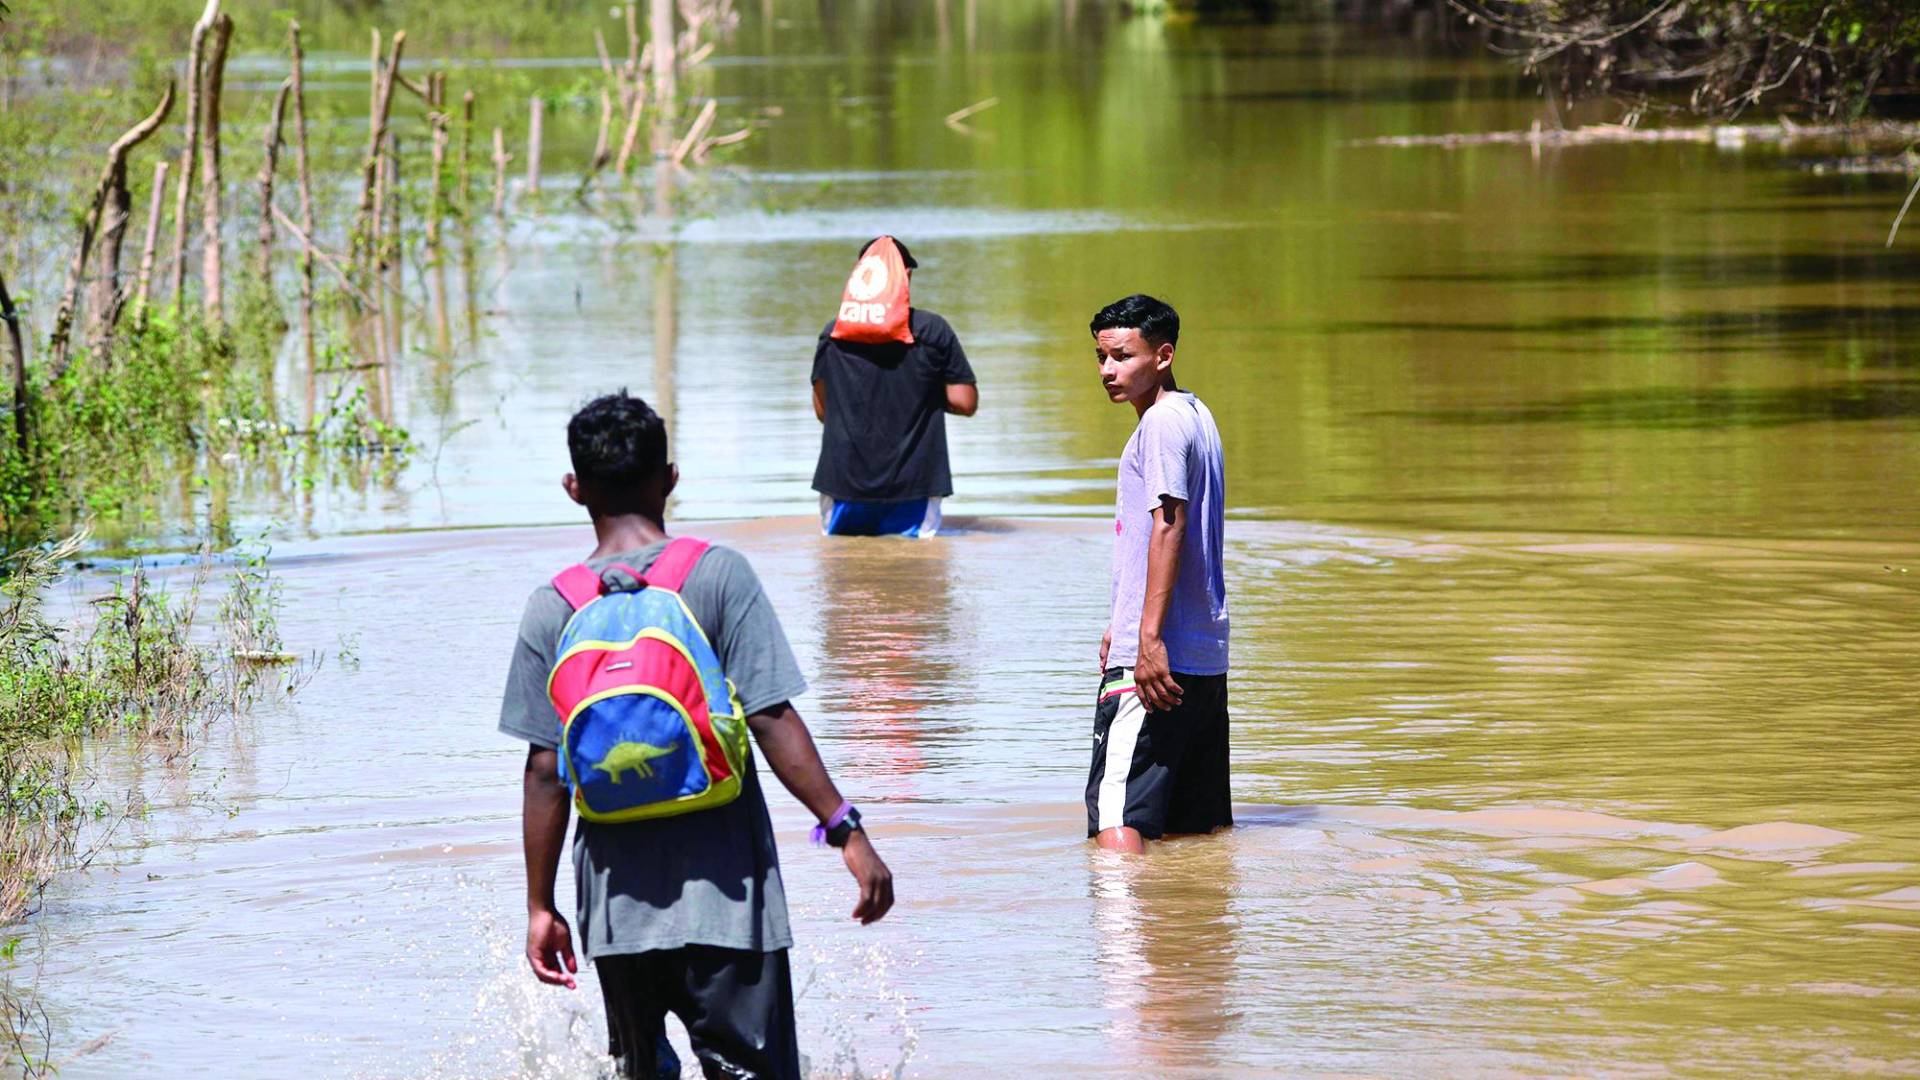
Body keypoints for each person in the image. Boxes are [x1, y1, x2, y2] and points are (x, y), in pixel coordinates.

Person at [499, 391, 895, 1079]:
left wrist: (541, 906)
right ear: (671, 478)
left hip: (616, 908)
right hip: (730, 898)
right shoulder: (716, 575)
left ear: (573, 488)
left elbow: (543, 769)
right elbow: (772, 718)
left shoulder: (552, 606)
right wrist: (845, 830)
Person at [1082, 295, 1232, 853]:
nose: (1107, 371)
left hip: (1157, 659)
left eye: (1122, 356)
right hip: (1202, 657)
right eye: (1101, 357)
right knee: (1191, 832)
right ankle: (1185, 938)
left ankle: (1122, 942)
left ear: (1163, 355)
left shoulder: (1163, 425)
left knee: (1117, 826)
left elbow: (1169, 524)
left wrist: (1144, 638)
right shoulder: (1195, 413)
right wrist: (1118, 619)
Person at [811, 237, 978, 537]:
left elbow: (823, 410)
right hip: (915, 486)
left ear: (858, 275)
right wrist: (921, 391)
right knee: (918, 577)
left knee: (841, 576)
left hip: (842, 486)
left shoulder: (833, 333)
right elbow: (964, 401)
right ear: (906, 277)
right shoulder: (932, 330)